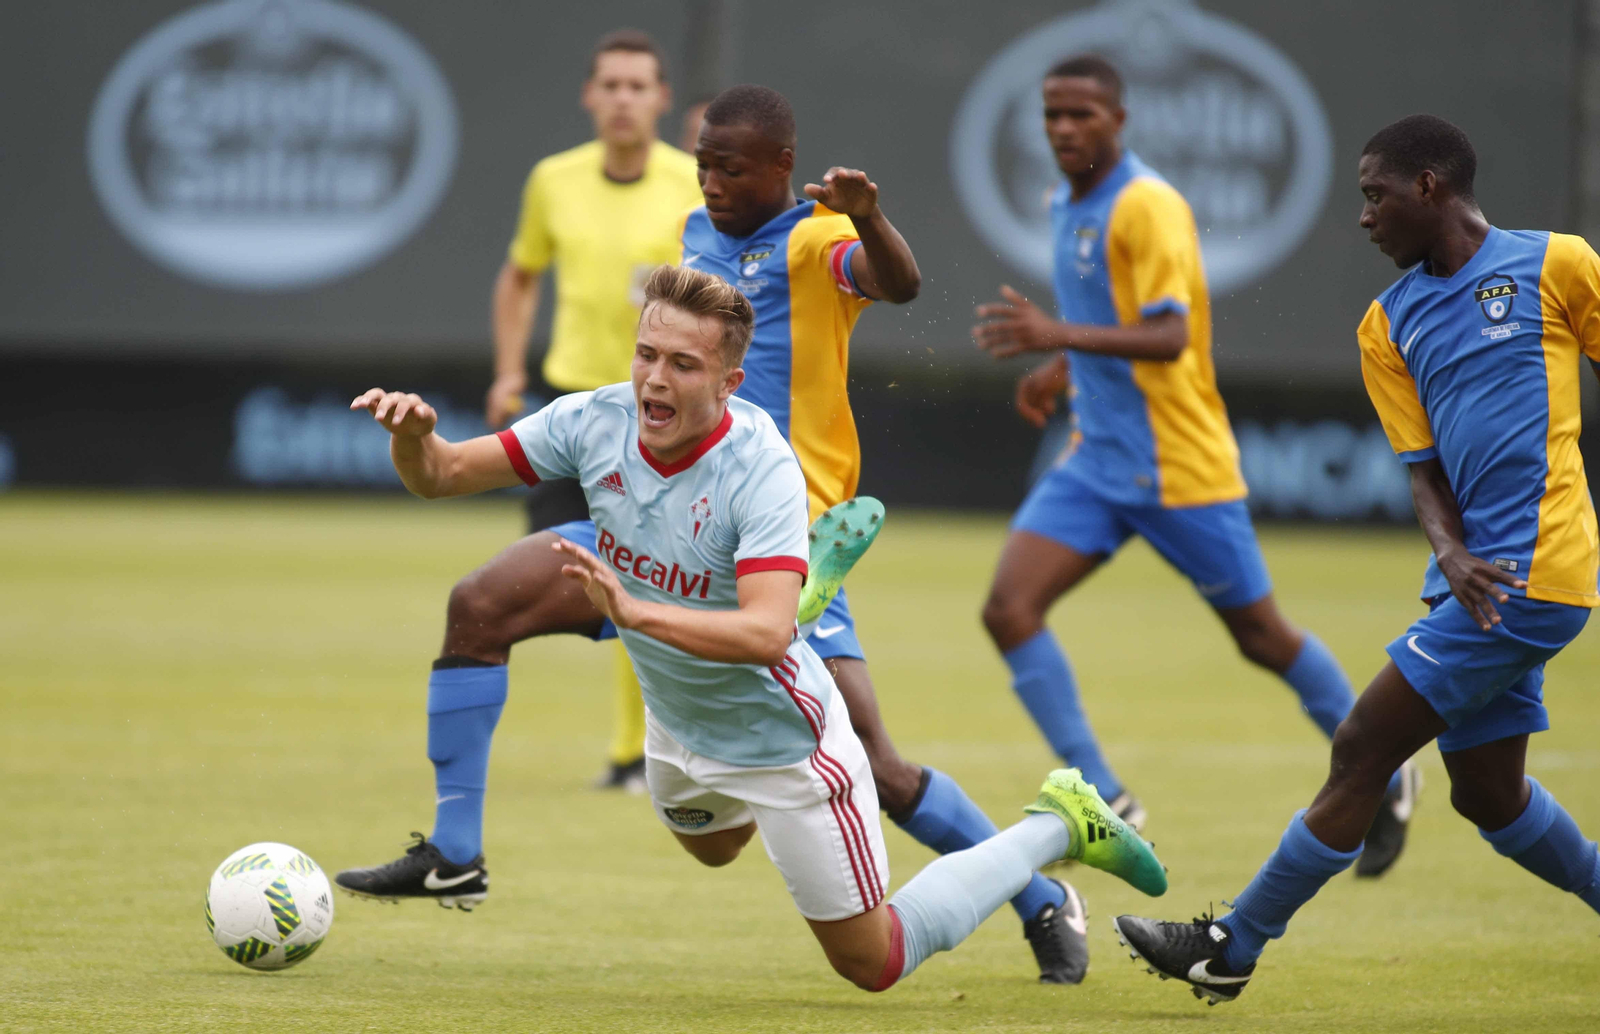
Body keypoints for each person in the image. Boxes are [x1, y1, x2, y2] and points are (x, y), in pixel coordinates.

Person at [338, 82, 1097, 985]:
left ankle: (1040, 895)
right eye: (702, 165)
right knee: (482, 604)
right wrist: (422, 440)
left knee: (876, 765)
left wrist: (869, 217)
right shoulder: (695, 240)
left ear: (782, 167)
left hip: (774, 533)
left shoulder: (815, 240)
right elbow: (452, 468)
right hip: (660, 506)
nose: (710, 183)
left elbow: (900, 284)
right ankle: (456, 851)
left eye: (729, 168)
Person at [1114, 114, 1600, 1005]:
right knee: (1489, 797)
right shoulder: (1387, 323)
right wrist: (1451, 553)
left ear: (1429, 187)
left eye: (1376, 196)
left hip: (1533, 576)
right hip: (1472, 586)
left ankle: (1230, 947)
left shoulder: (1557, 264)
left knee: (1360, 747)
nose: (1366, 217)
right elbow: (1423, 470)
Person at [970, 56, 1417, 871]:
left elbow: (1169, 335)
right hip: (1097, 462)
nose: (1064, 128)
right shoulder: (1067, 200)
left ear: (1118, 119)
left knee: (1261, 636)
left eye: (1081, 114)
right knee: (1009, 609)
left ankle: (1386, 766)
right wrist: (1062, 367)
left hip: (1179, 467)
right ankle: (1106, 799)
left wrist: (1056, 336)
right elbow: (1108, 312)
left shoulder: (1148, 205)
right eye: (1052, 114)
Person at [487, 29, 703, 792]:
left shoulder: (691, 183)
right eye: (610, 85)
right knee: (552, 577)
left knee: (644, 579)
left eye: (637, 86)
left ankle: (635, 753)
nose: (622, 99)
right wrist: (508, 370)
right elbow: (520, 275)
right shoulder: (554, 180)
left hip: (658, 413)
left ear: (662, 98)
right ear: (589, 95)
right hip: (571, 406)